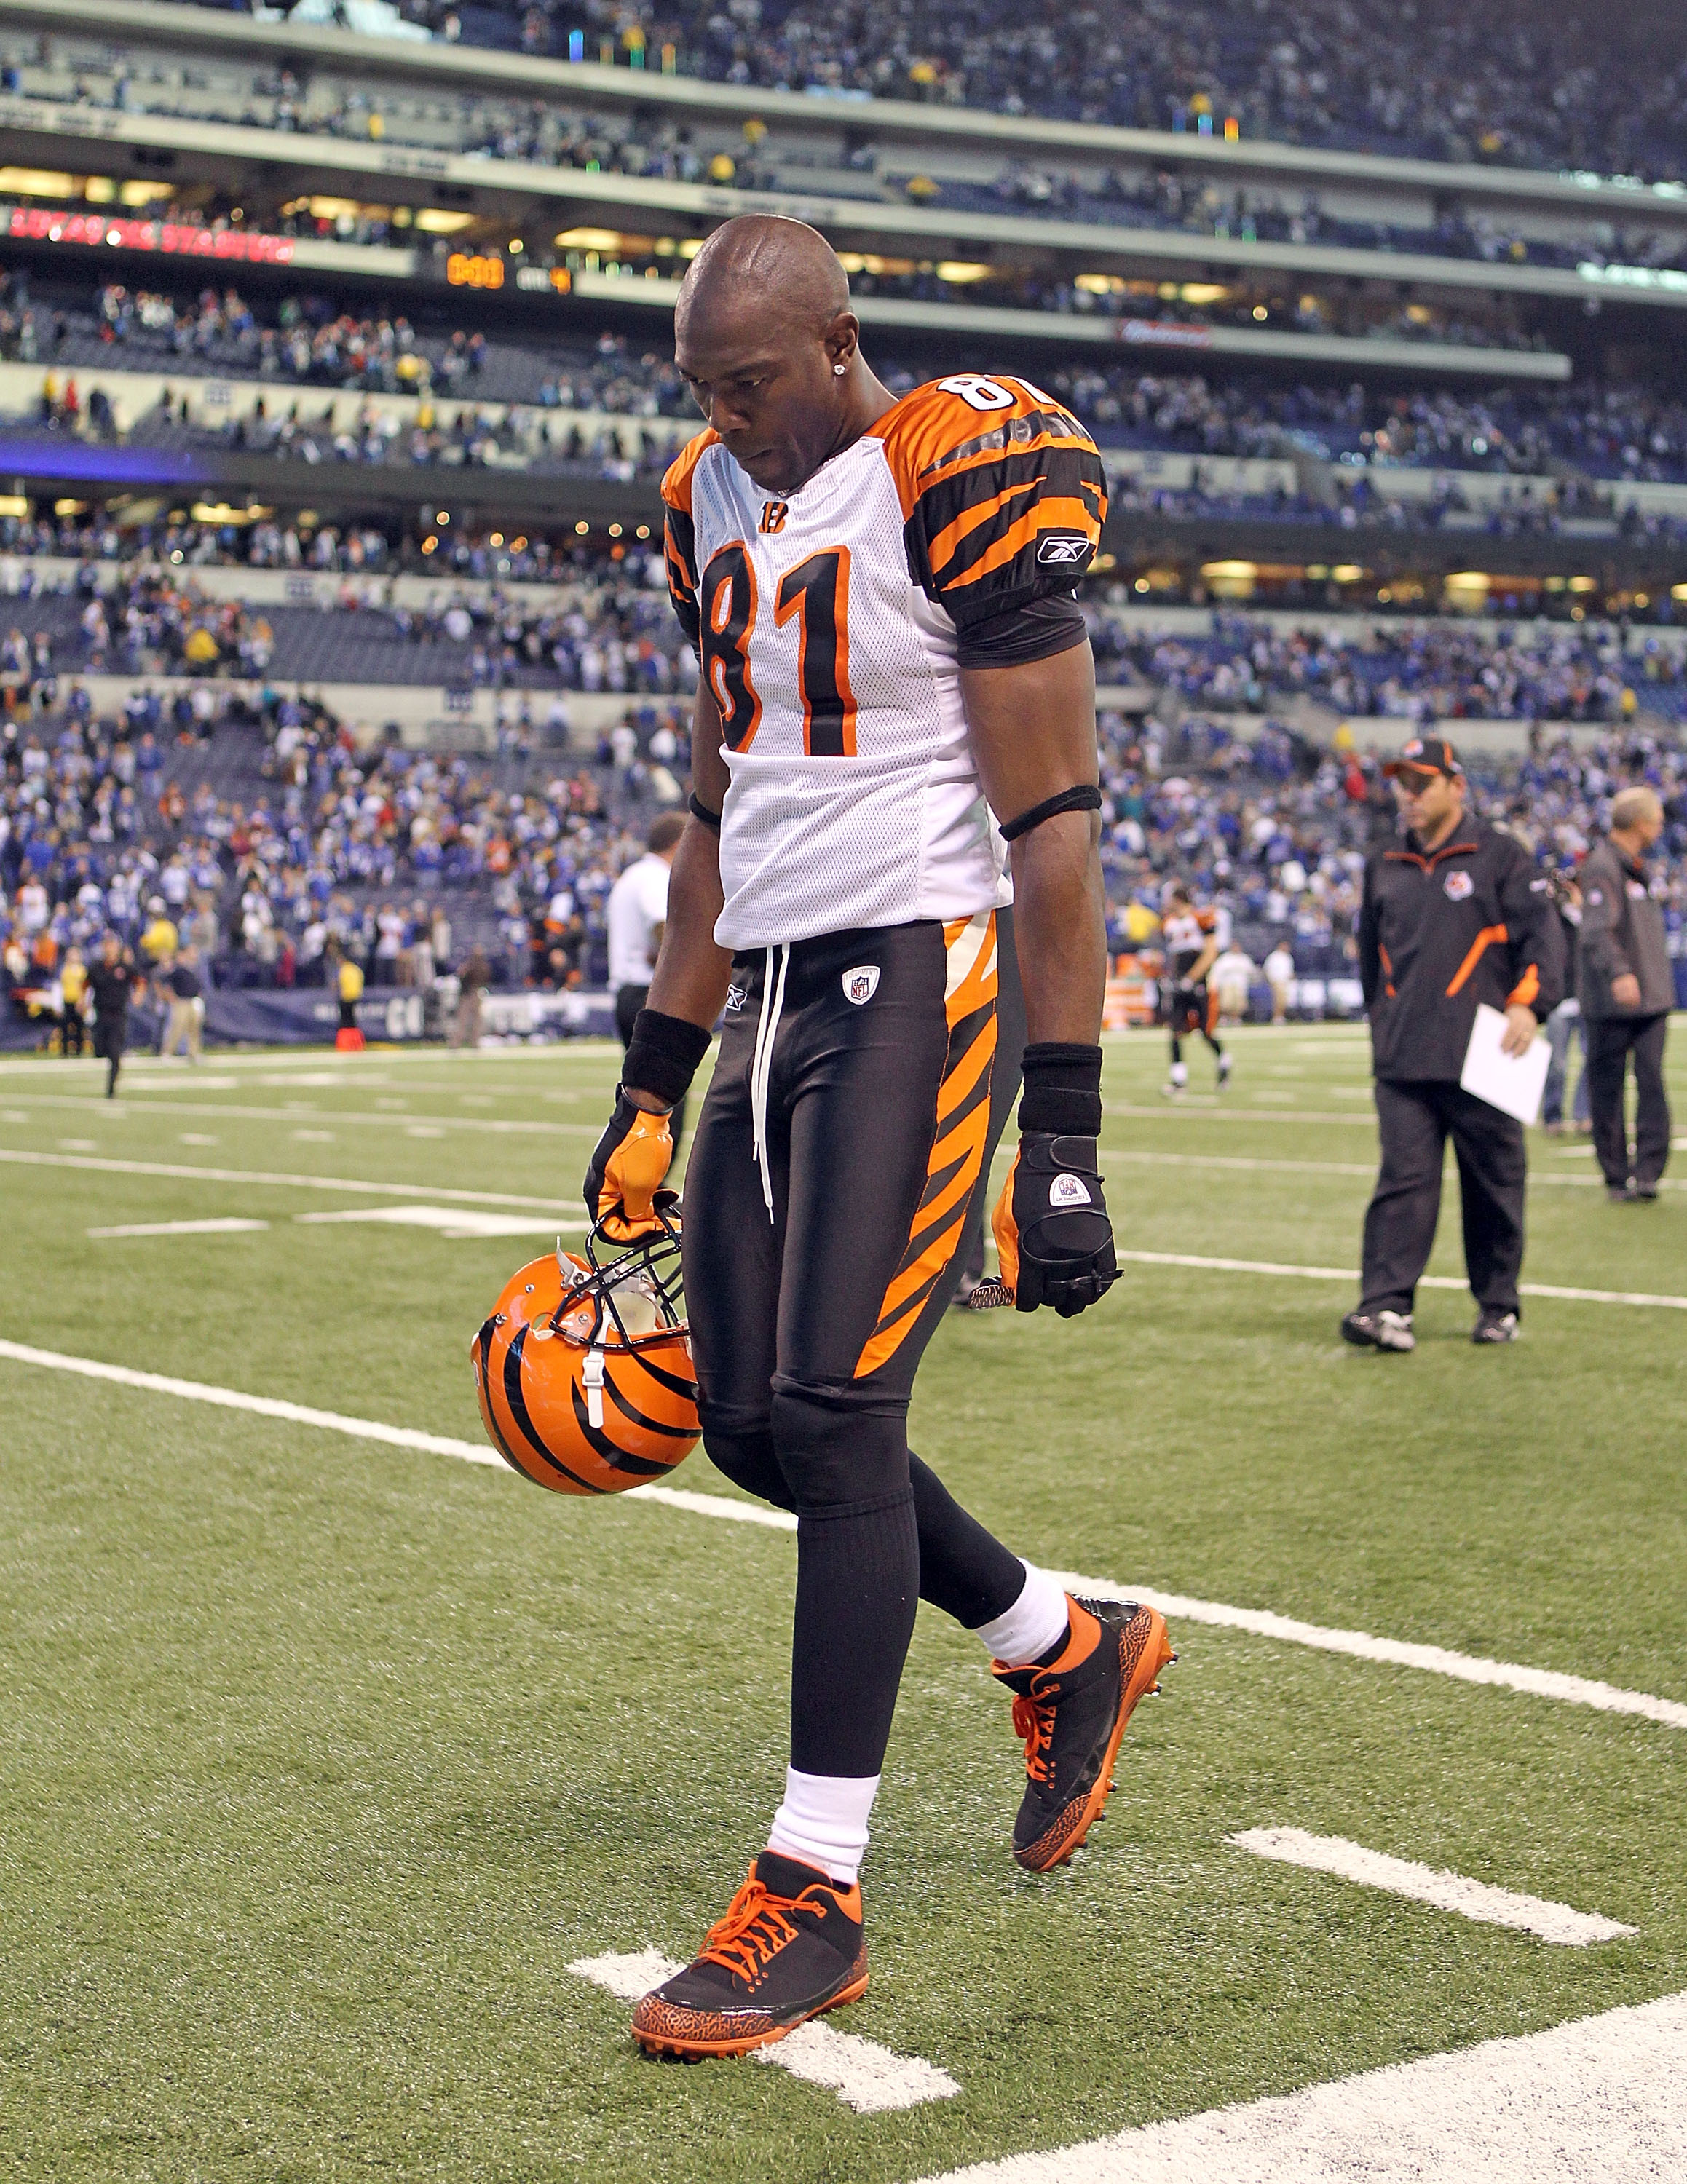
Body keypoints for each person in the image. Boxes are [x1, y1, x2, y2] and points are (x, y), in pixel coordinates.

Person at [579, 215, 1170, 2060]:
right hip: (766, 985)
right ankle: (1061, 1644)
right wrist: (651, 1081)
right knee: (747, 1417)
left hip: (923, 967)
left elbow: (1056, 827)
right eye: (702, 390)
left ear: (838, 342)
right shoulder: (704, 498)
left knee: (839, 1414)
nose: (727, 417)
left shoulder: (956, 465)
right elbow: (712, 797)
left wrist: (1059, 1134)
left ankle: (813, 1887)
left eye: (749, 381)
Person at [1343, 736, 1560, 1353]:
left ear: (1455, 786)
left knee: (1492, 1183)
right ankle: (1383, 1307)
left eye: (1420, 784)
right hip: (1405, 1056)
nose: (1407, 796)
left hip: (1487, 1052)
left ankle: (1498, 1305)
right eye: (1401, 784)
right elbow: (1368, 958)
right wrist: (1381, 1021)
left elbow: (1542, 942)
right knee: (1402, 1182)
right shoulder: (1382, 859)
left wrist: (1526, 1002)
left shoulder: (1501, 857)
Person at [1580, 786, 1672, 1201]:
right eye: (1656, 819)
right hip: (1613, 999)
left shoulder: (1637, 866)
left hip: (1651, 998)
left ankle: (1648, 1172)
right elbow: (1597, 929)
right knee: (1608, 1086)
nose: (1662, 826)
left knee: (1651, 1082)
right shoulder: (1602, 865)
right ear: (1640, 824)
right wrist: (1619, 972)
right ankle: (1617, 1174)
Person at [606, 811, 688, 1143]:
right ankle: (647, 1184)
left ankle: (638, 1179)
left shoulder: (632, 876)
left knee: (645, 1091)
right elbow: (663, 925)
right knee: (664, 1096)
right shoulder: (655, 877)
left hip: (630, 990)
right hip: (647, 992)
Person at [1160, 882, 1231, 1095]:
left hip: (1199, 984)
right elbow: (1173, 957)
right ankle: (1179, 1081)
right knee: (1175, 1032)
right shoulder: (1170, 924)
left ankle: (1224, 1062)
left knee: (1205, 1032)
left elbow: (1210, 953)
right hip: (1178, 984)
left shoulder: (1201, 918)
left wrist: (1192, 978)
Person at [1540, 870, 1589, 1136]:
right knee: (1556, 1064)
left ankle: (1584, 1114)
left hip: (1586, 999)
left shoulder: (1589, 918)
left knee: (1590, 1060)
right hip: (1560, 1001)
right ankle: (1552, 1116)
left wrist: (1580, 909)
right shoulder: (1553, 920)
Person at [86, 933, 133, 1099]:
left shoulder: (124, 967)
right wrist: (81, 1000)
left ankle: (111, 1089)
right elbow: (85, 984)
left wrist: (139, 995)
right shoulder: (96, 967)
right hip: (101, 1014)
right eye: (107, 945)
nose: (109, 948)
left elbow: (139, 980)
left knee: (114, 1052)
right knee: (99, 1049)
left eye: (112, 945)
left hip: (118, 1015)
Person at [160, 946, 204, 1062]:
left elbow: (197, 986)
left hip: (193, 1001)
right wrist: (170, 996)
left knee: (194, 1029)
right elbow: (165, 982)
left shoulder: (193, 969)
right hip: (181, 1002)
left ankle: (193, 1053)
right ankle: (168, 1052)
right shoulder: (177, 970)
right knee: (177, 1028)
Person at [59, 944, 87, 1057]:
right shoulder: (63, 969)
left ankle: (79, 1050)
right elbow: (58, 987)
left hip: (79, 1002)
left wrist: (85, 1002)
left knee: (79, 1027)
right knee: (65, 1027)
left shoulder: (82, 970)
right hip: (67, 1000)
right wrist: (58, 1004)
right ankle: (65, 1050)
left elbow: (87, 987)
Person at [1263, 940, 1295, 1024]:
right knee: (1277, 1000)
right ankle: (1276, 1017)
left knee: (1284, 1001)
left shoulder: (1288, 957)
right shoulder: (1273, 957)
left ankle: (1281, 1016)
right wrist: (1271, 981)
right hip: (1277, 981)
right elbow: (1267, 970)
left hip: (1286, 982)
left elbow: (1289, 971)